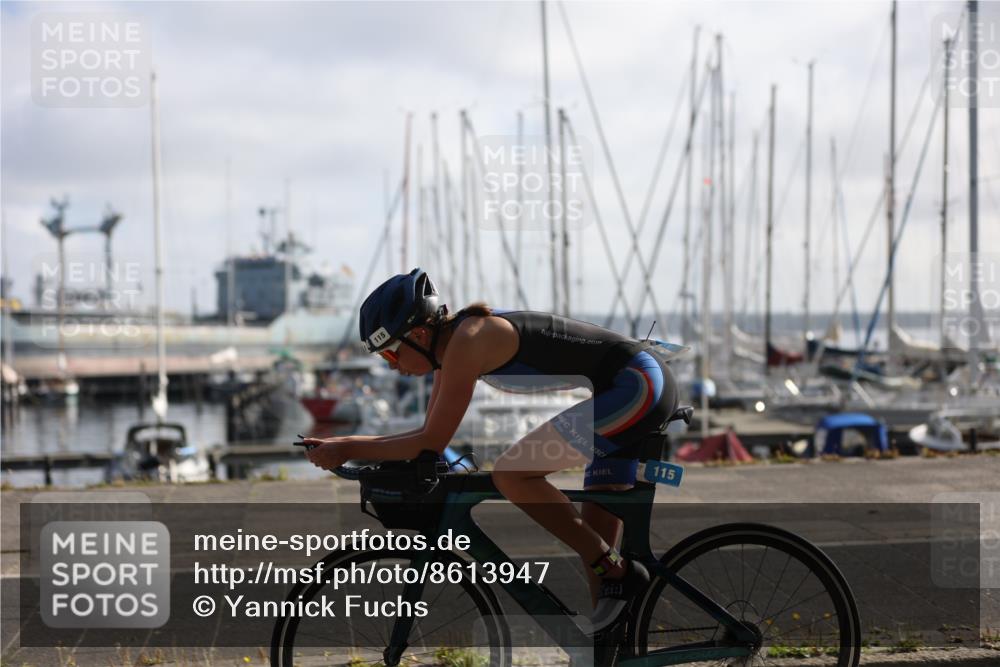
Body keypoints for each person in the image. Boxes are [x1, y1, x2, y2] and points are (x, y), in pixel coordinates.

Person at [304, 268, 678, 634]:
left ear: (418, 334)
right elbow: (427, 435)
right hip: (627, 386)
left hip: (638, 385)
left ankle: (619, 572)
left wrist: (348, 447)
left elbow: (429, 442)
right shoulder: (449, 350)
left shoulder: (468, 341)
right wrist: (346, 447)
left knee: (512, 473)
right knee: (594, 554)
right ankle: (611, 642)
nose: (394, 368)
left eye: (390, 355)